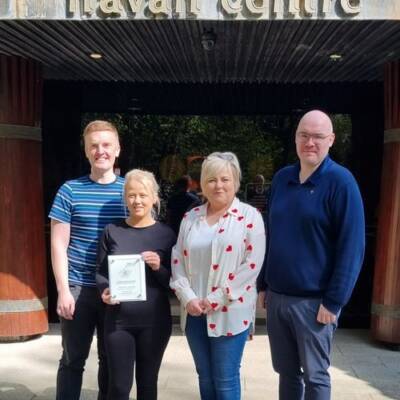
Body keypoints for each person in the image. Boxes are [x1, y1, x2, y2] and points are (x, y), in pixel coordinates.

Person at [257, 110, 365, 400]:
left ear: (331, 139)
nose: (310, 142)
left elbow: (352, 247)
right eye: (304, 135)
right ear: (296, 139)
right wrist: (264, 284)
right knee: (287, 373)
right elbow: (273, 235)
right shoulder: (282, 179)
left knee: (316, 376)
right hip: (279, 297)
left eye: (318, 136)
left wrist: (334, 300)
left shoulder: (342, 183)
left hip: (316, 303)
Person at [170, 152, 266, 400]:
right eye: (211, 179)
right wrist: (188, 297)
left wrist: (215, 299)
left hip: (229, 313)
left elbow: (251, 266)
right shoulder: (190, 218)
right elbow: (177, 259)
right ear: (202, 184)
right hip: (193, 313)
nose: (218, 185)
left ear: (236, 181)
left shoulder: (250, 217)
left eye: (225, 178)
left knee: (225, 381)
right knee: (205, 377)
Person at [49, 120, 126, 400]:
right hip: (78, 288)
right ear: (86, 151)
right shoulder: (69, 190)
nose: (100, 151)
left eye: (106, 145)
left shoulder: (130, 191)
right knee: (72, 359)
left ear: (117, 149)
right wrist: (63, 291)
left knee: (111, 359)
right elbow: (58, 244)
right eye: (94, 146)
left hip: (115, 289)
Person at [96, 169, 176, 400]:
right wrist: (105, 292)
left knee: (148, 384)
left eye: (143, 194)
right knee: (119, 387)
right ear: (125, 198)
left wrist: (158, 267)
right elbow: (100, 273)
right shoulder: (112, 231)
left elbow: (174, 282)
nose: (137, 200)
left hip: (155, 323)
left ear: (154, 198)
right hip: (118, 321)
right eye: (131, 195)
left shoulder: (166, 234)